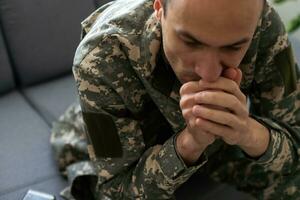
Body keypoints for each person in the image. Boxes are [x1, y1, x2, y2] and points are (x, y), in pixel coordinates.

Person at [50, 0, 300, 199]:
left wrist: (246, 132)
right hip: (133, 150)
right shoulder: (100, 56)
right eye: (190, 41)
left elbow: (295, 139)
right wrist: (189, 143)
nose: (209, 73)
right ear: (158, 8)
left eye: (233, 47)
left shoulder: (264, 23)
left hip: (223, 142)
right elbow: (118, 190)